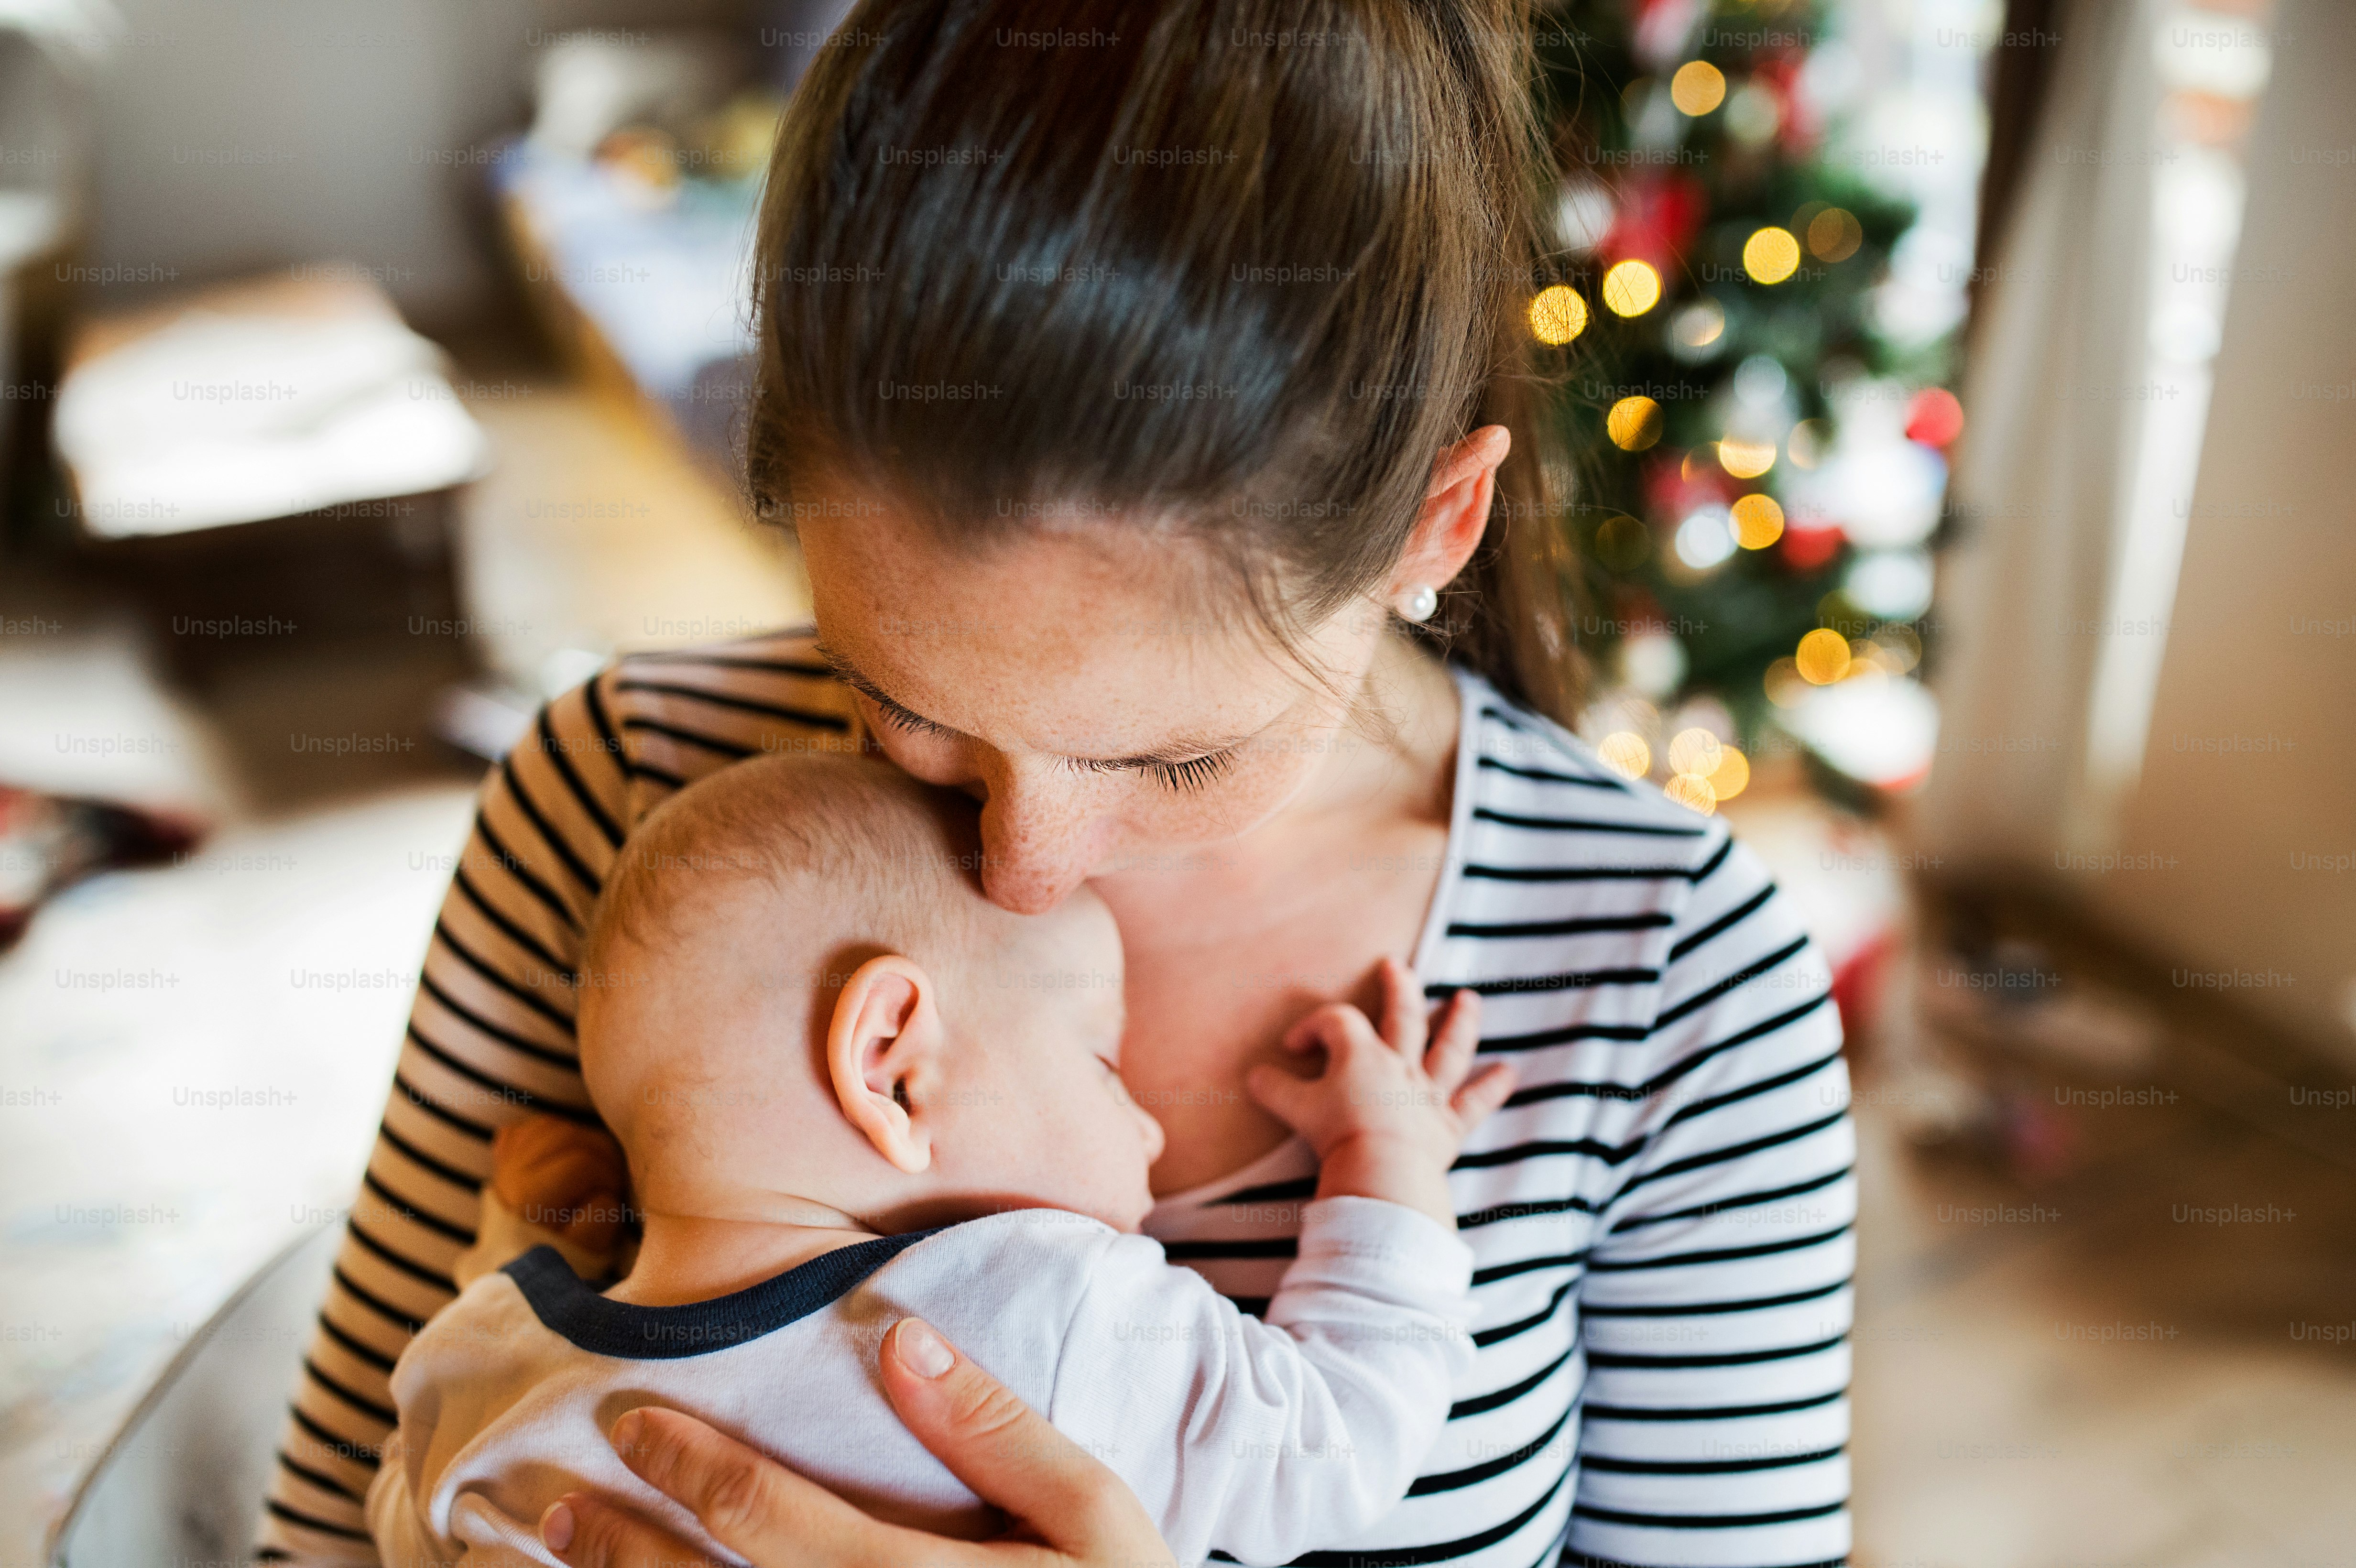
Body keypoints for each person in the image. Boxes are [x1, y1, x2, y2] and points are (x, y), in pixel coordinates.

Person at [260, 1, 1855, 1564]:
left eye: (1173, 757)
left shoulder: (1680, 988)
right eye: (900, 707)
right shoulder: (622, 796)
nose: (1021, 868)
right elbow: (335, 1521)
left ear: (1432, 527)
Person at [366, 753, 1515, 1566]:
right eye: (1102, 1060)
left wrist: (514, 1251)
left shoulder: (477, 1357)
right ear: (894, 1066)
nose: (1150, 1130)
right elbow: (1334, 1443)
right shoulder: (1046, 1309)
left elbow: (394, 1525)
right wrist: (1387, 1155)